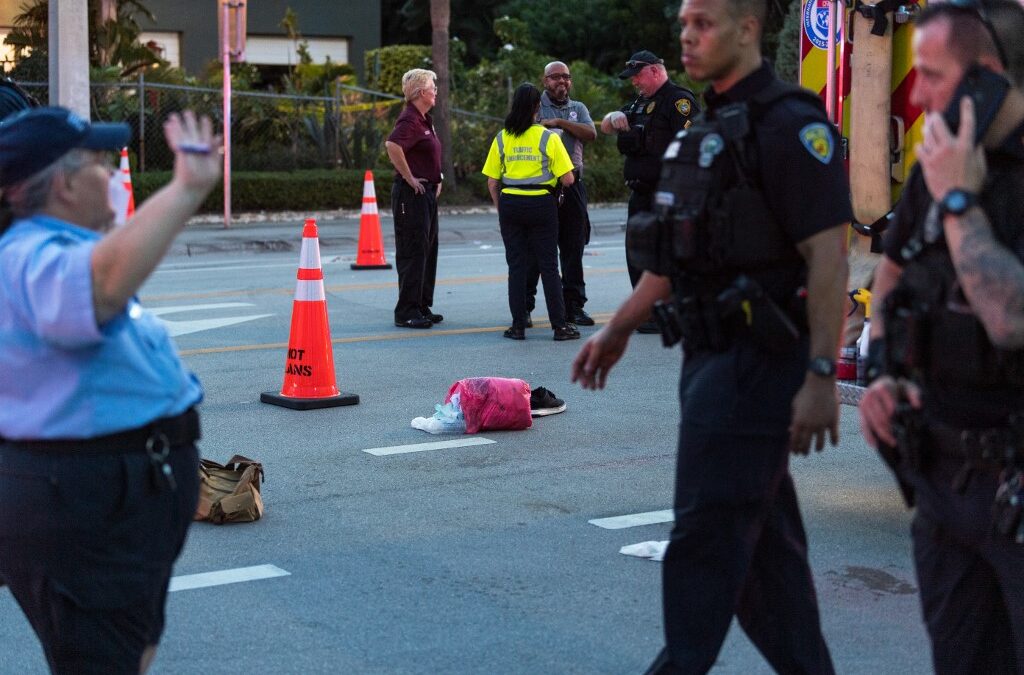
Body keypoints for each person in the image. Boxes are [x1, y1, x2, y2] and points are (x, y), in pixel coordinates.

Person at [573, 0, 852, 669]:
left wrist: (821, 374)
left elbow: (830, 257)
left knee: (702, 546)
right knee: (767, 564)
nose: (688, 37)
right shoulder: (704, 132)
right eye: (684, 25)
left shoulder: (791, 126)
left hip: (756, 369)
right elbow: (674, 256)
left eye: (704, 24)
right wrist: (618, 327)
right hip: (705, 362)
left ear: (748, 29)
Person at [0, 107, 221, 673]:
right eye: (99, 163)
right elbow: (100, 285)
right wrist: (187, 188)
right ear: (64, 183)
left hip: (118, 493)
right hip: (85, 498)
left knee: (122, 653)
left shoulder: (53, 247)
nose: (112, 175)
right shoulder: (26, 255)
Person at [858, 2, 1024, 671]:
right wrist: (882, 375)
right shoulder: (939, 160)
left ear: (986, 76)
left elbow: (1009, 318)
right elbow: (891, 272)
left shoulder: (955, 177)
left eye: (929, 74)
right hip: (943, 487)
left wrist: (960, 202)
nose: (917, 93)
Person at [600, 49, 698, 333]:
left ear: (654, 71)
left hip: (667, 195)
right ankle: (648, 311)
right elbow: (607, 127)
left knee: (665, 256)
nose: (634, 82)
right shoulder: (640, 103)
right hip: (640, 194)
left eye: (637, 76)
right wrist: (614, 114)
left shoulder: (677, 100)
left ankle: (670, 312)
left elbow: (693, 144)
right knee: (637, 253)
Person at [482, 83, 580, 342]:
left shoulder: (503, 137)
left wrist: (501, 207)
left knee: (516, 267)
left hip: (511, 204)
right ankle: (560, 326)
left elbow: (492, 182)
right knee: (548, 266)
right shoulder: (549, 138)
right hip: (541, 204)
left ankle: (518, 326)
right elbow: (569, 179)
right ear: (538, 107)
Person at [524, 61, 598, 329]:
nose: (562, 82)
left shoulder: (577, 109)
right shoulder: (534, 106)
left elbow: (591, 134)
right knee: (535, 249)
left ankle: (574, 306)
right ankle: (525, 307)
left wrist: (559, 122)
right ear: (545, 81)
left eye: (566, 77)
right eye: (556, 77)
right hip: (543, 186)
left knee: (573, 247)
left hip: (572, 185)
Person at [385, 68, 444, 330]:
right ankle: (406, 310)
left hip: (427, 193)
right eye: (433, 86)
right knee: (412, 251)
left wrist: (437, 177)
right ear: (421, 92)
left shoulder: (424, 119)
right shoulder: (409, 119)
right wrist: (410, 178)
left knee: (427, 250)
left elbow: (427, 154)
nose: (435, 91)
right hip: (412, 196)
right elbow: (393, 145)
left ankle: (421, 304)